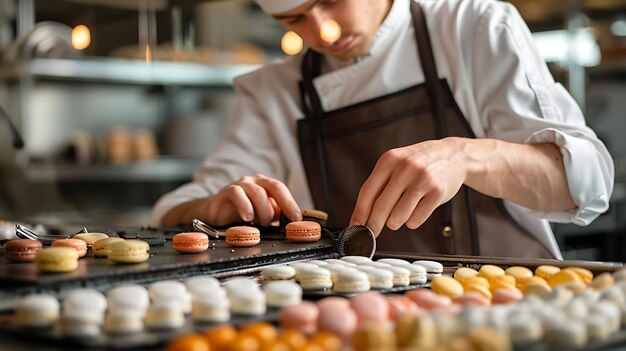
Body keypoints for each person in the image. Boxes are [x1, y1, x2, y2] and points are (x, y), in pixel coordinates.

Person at [150, 0, 614, 259]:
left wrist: (468, 156)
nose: (325, 32)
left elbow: (588, 182)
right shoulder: (274, 91)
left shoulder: (473, 28)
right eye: (294, 19)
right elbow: (171, 212)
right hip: (367, 324)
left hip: (514, 312)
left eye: (332, 1)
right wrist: (212, 206)